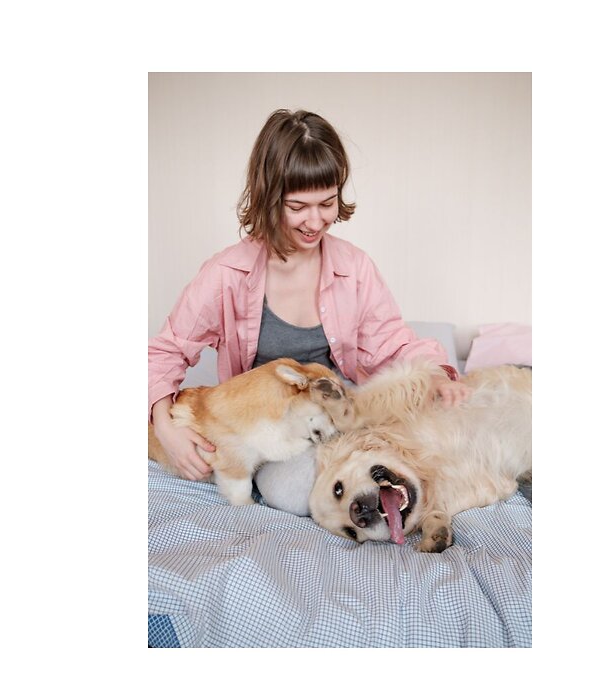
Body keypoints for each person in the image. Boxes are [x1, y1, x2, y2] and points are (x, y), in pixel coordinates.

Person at [148, 109, 471, 510]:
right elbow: (165, 353)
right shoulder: (226, 274)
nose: (315, 221)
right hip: (270, 430)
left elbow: (391, 342)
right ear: (269, 197)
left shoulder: (353, 268)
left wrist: (437, 375)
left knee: (443, 441)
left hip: (338, 413)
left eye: (328, 203)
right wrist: (165, 427)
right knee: (294, 494)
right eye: (298, 206)